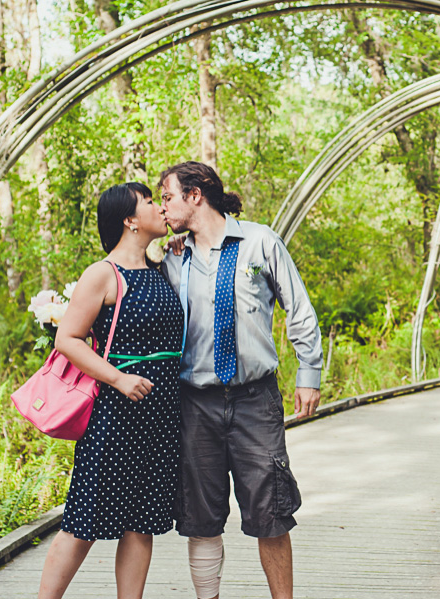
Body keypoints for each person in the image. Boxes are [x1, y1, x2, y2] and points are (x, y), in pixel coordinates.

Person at [158, 161, 323, 599]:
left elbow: (299, 308)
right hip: (194, 402)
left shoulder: (260, 242)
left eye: (168, 197)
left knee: (271, 512)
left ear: (196, 196)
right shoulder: (174, 256)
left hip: (255, 400)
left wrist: (309, 372)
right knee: (201, 516)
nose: (163, 208)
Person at [37, 182, 206, 599]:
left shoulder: (160, 269)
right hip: (114, 416)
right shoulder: (103, 274)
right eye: (150, 202)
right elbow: (68, 339)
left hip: (161, 414)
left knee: (142, 523)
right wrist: (117, 378)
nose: (159, 208)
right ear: (130, 220)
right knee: (83, 523)